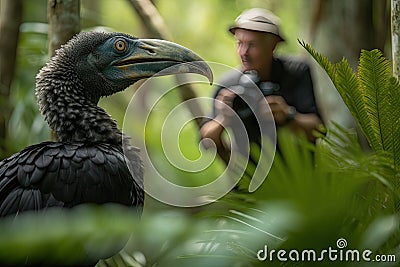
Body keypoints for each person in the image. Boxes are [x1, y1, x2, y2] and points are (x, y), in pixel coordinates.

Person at [200, 8, 323, 162]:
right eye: (239, 43)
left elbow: (318, 129)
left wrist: (288, 116)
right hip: (249, 179)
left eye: (252, 45)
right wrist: (223, 119)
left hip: (299, 175)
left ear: (273, 46)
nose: (243, 52)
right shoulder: (230, 86)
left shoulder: (295, 72)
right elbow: (206, 142)